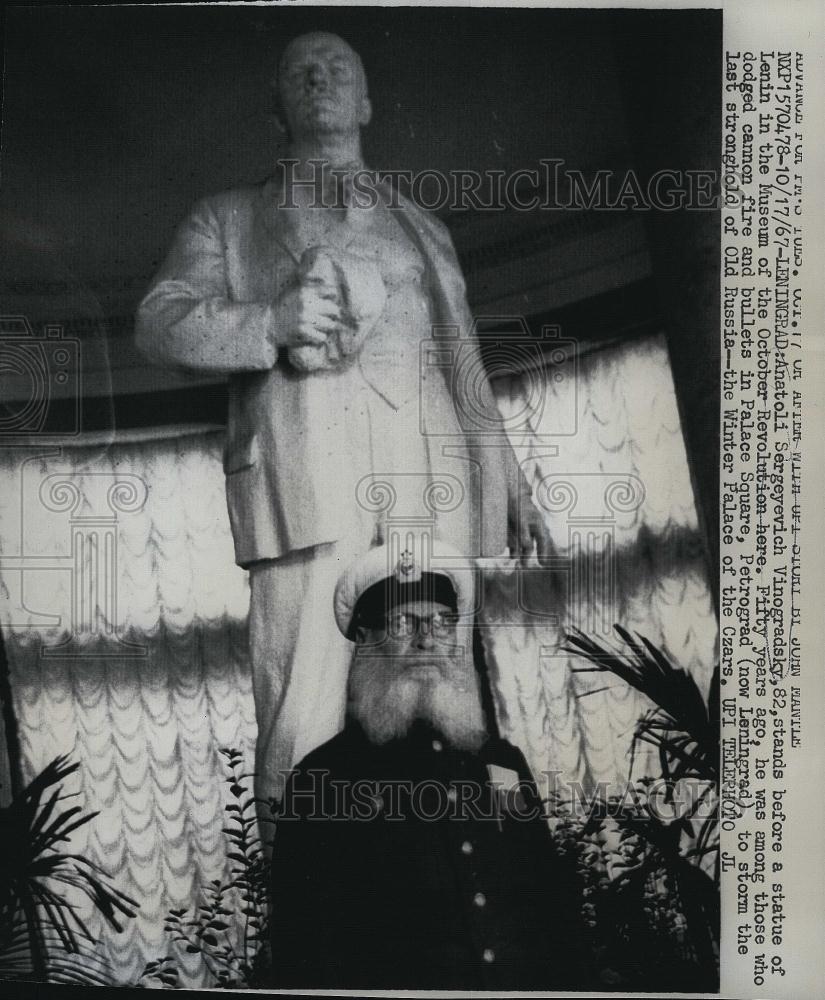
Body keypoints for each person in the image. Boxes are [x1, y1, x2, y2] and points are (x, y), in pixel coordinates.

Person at [135, 32, 545, 808]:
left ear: (365, 103)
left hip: (426, 472)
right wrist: (266, 322)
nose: (320, 80)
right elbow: (158, 324)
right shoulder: (227, 219)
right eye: (301, 72)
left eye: (337, 70)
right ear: (276, 108)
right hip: (307, 480)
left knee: (441, 682)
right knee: (304, 702)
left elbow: (461, 358)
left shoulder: (421, 226)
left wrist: (509, 476)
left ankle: (461, 865)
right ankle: (305, 878)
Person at [267, 542, 583, 991]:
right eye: (403, 622)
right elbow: (305, 948)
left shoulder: (502, 764)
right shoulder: (322, 780)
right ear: (366, 640)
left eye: (442, 622)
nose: (426, 639)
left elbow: (550, 902)